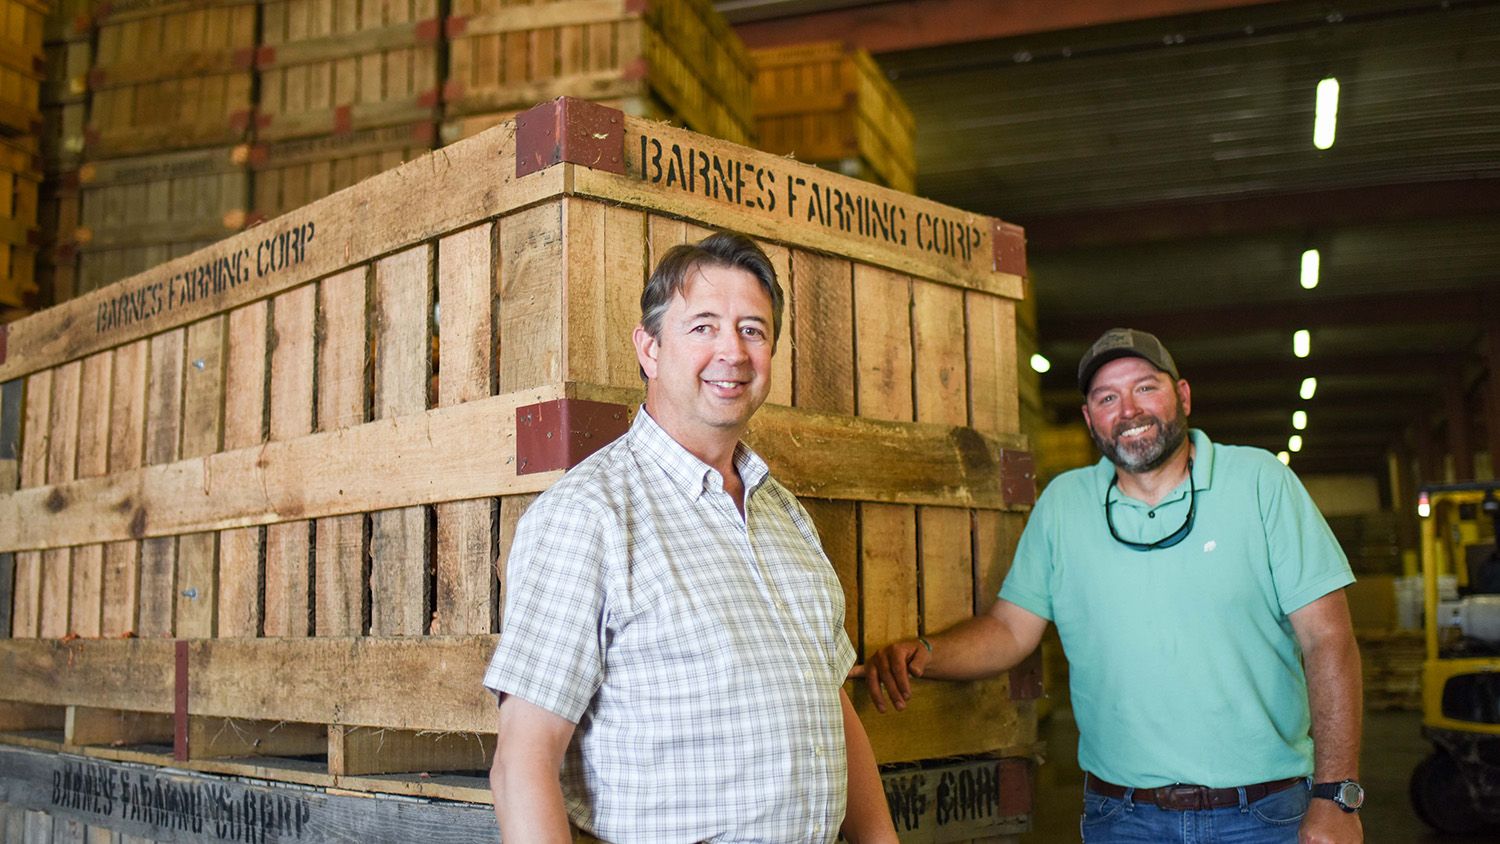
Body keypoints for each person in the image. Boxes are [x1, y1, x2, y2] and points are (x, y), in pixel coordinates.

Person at [862, 328, 1364, 844]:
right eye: (1107, 397)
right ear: (1089, 418)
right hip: (1123, 819)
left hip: (1264, 814)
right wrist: (925, 653)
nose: (1128, 410)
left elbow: (1327, 639)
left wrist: (1336, 796)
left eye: (1145, 388)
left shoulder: (1261, 482)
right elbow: (1010, 630)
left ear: (1183, 395)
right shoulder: (1063, 503)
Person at [484, 232, 897, 843]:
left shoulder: (786, 515)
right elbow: (522, 763)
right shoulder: (588, 515)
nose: (732, 351)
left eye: (752, 330)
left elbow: (828, 702)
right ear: (649, 349)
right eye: (702, 326)